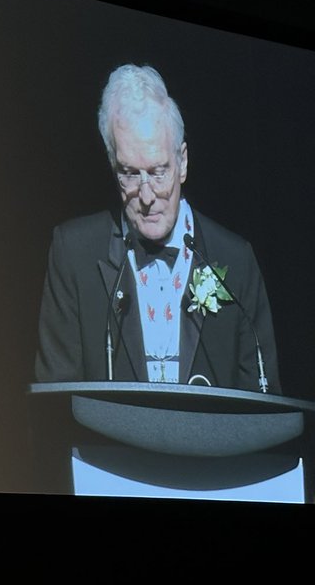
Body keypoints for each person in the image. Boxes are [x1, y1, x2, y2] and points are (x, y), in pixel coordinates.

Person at [33, 64, 281, 392]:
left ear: (183, 162)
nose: (147, 196)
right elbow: (57, 406)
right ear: (112, 166)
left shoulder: (235, 260)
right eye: (130, 174)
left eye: (159, 171)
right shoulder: (74, 253)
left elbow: (263, 406)